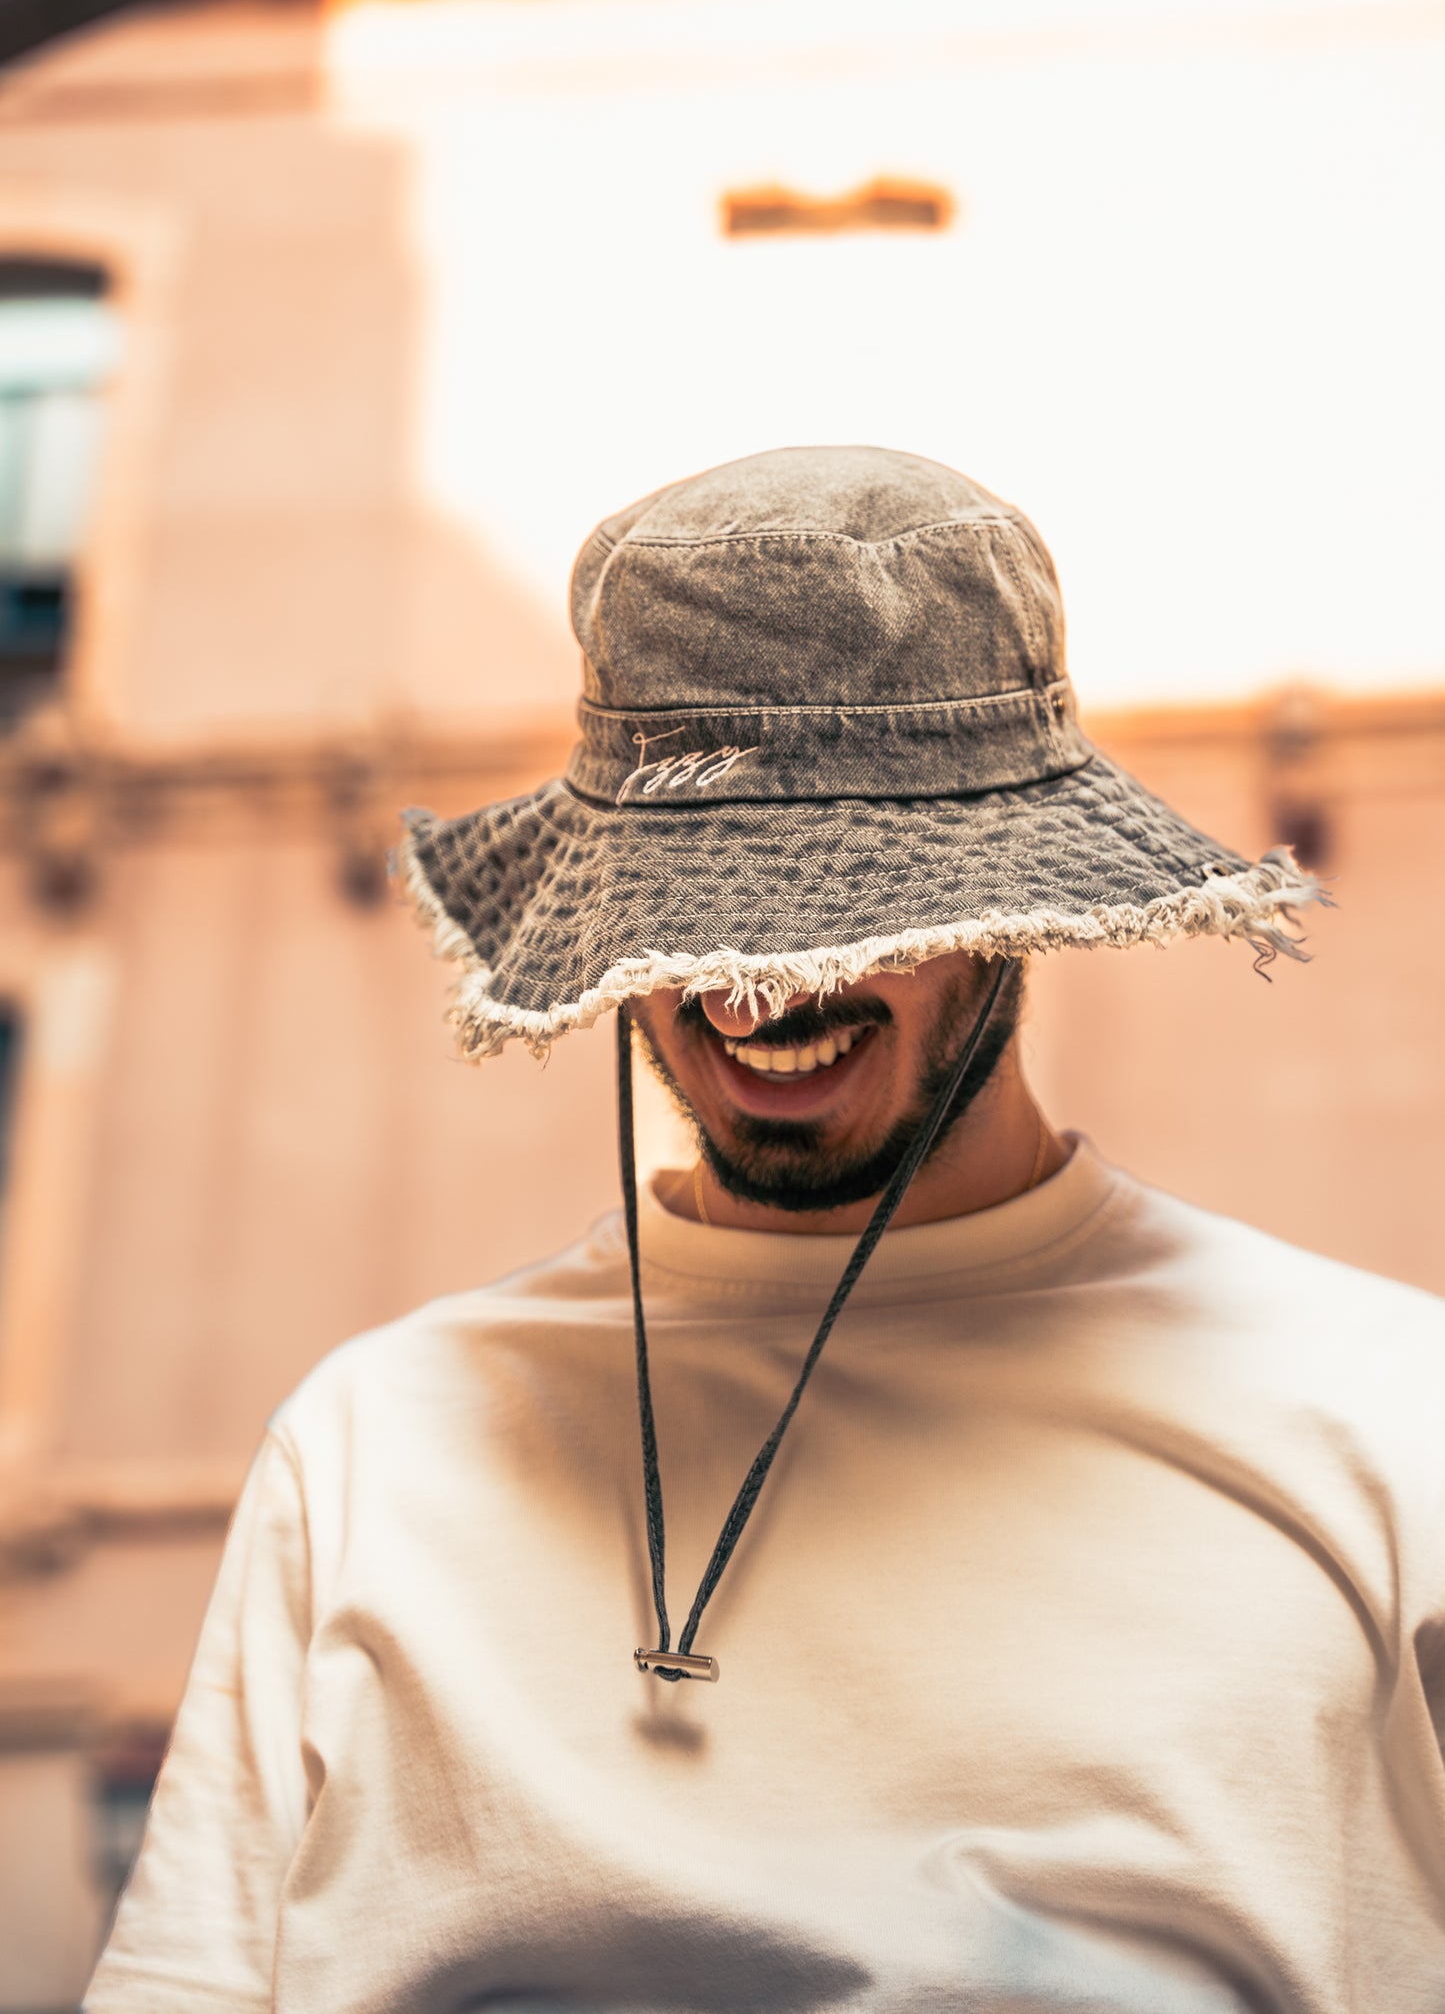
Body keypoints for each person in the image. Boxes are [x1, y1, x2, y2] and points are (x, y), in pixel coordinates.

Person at [87, 446, 1445, 2013]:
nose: (745, 988)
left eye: (825, 912)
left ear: (1010, 910)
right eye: (682, 911)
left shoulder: (1390, 1419)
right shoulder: (368, 1447)